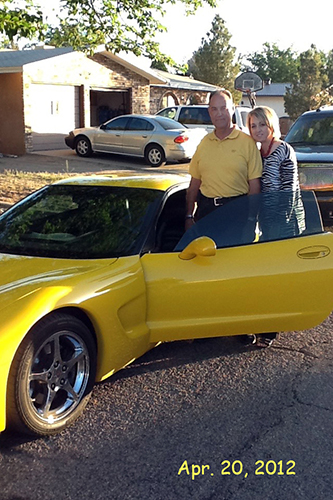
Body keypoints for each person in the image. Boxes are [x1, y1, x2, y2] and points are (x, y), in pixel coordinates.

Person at [247, 105, 305, 347]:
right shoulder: (258, 152)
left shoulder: (284, 150)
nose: (258, 129)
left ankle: (272, 328)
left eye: (262, 124)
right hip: (266, 221)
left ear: (271, 125)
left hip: (285, 221)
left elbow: (289, 192)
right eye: (253, 125)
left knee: (280, 274)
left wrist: (276, 226)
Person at [185, 89, 262, 230]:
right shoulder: (204, 143)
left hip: (237, 213)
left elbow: (255, 186)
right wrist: (189, 215)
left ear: (232, 109)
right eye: (214, 109)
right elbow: (194, 183)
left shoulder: (247, 142)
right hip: (206, 214)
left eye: (223, 108)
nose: (219, 114)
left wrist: (251, 220)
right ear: (209, 112)